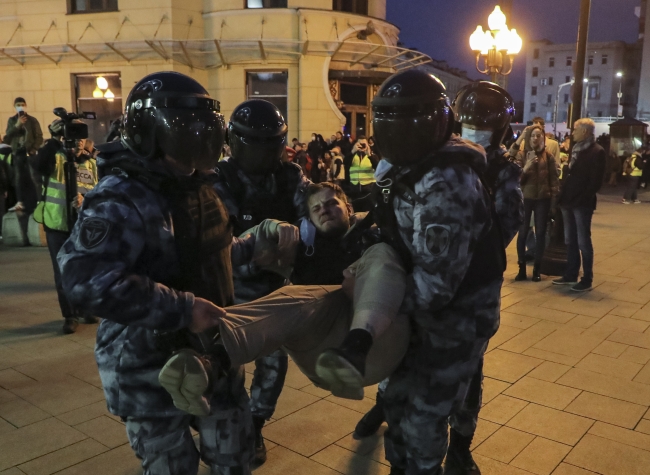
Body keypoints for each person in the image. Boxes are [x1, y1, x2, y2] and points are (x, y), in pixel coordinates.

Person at [58, 72, 255, 475]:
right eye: (185, 134)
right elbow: (84, 279)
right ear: (149, 133)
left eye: (204, 133)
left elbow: (206, 257)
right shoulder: (120, 196)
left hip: (215, 358)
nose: (197, 144)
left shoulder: (200, 186)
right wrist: (182, 310)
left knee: (235, 460)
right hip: (147, 369)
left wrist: (256, 249)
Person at [212, 99, 310, 465]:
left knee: (273, 365)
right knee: (225, 363)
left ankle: (255, 424)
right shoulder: (219, 178)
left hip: (275, 290)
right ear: (235, 142)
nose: (271, 152)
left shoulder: (289, 175)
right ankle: (221, 425)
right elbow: (225, 239)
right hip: (229, 292)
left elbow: (308, 214)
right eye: (261, 143)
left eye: (275, 143)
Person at [32, 119, 99, 334]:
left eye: (81, 137)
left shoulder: (90, 164)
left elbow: (99, 194)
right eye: (72, 137)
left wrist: (84, 201)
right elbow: (38, 165)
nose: (78, 142)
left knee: (86, 270)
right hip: (57, 225)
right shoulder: (55, 158)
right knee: (63, 273)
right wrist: (53, 141)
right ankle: (70, 315)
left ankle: (86, 308)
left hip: (84, 226)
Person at [553, 118, 607, 292]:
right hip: (568, 201)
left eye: (575, 130)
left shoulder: (597, 151)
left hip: (581, 204)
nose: (572, 133)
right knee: (571, 240)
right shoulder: (576, 150)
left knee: (583, 241)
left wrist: (583, 198)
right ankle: (571, 274)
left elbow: (595, 181)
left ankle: (587, 278)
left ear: (584, 132)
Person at [514, 125, 560, 282]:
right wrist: (525, 169)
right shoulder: (521, 155)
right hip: (525, 199)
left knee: (541, 233)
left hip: (542, 199)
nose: (535, 138)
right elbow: (516, 181)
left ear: (543, 137)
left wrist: (553, 202)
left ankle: (537, 270)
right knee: (523, 232)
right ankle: (521, 268)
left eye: (538, 135)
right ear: (529, 138)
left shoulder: (548, 157)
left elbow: (554, 181)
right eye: (533, 135)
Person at [4, 97, 43, 211]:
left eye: (22, 104)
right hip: (17, 152)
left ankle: (38, 200)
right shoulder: (12, 120)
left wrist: (33, 149)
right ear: (15, 107)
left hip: (30, 152)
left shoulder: (32, 120)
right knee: (18, 178)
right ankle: (20, 201)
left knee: (34, 177)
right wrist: (17, 125)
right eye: (18, 104)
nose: (20, 106)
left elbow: (39, 137)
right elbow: (7, 137)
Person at [345, 136, 376, 212]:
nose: (362, 146)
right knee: (357, 214)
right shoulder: (352, 156)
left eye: (364, 144)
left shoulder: (372, 156)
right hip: (355, 190)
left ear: (368, 145)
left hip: (368, 190)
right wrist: (352, 151)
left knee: (368, 213)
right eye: (360, 144)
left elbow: (377, 166)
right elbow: (345, 162)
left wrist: (369, 155)